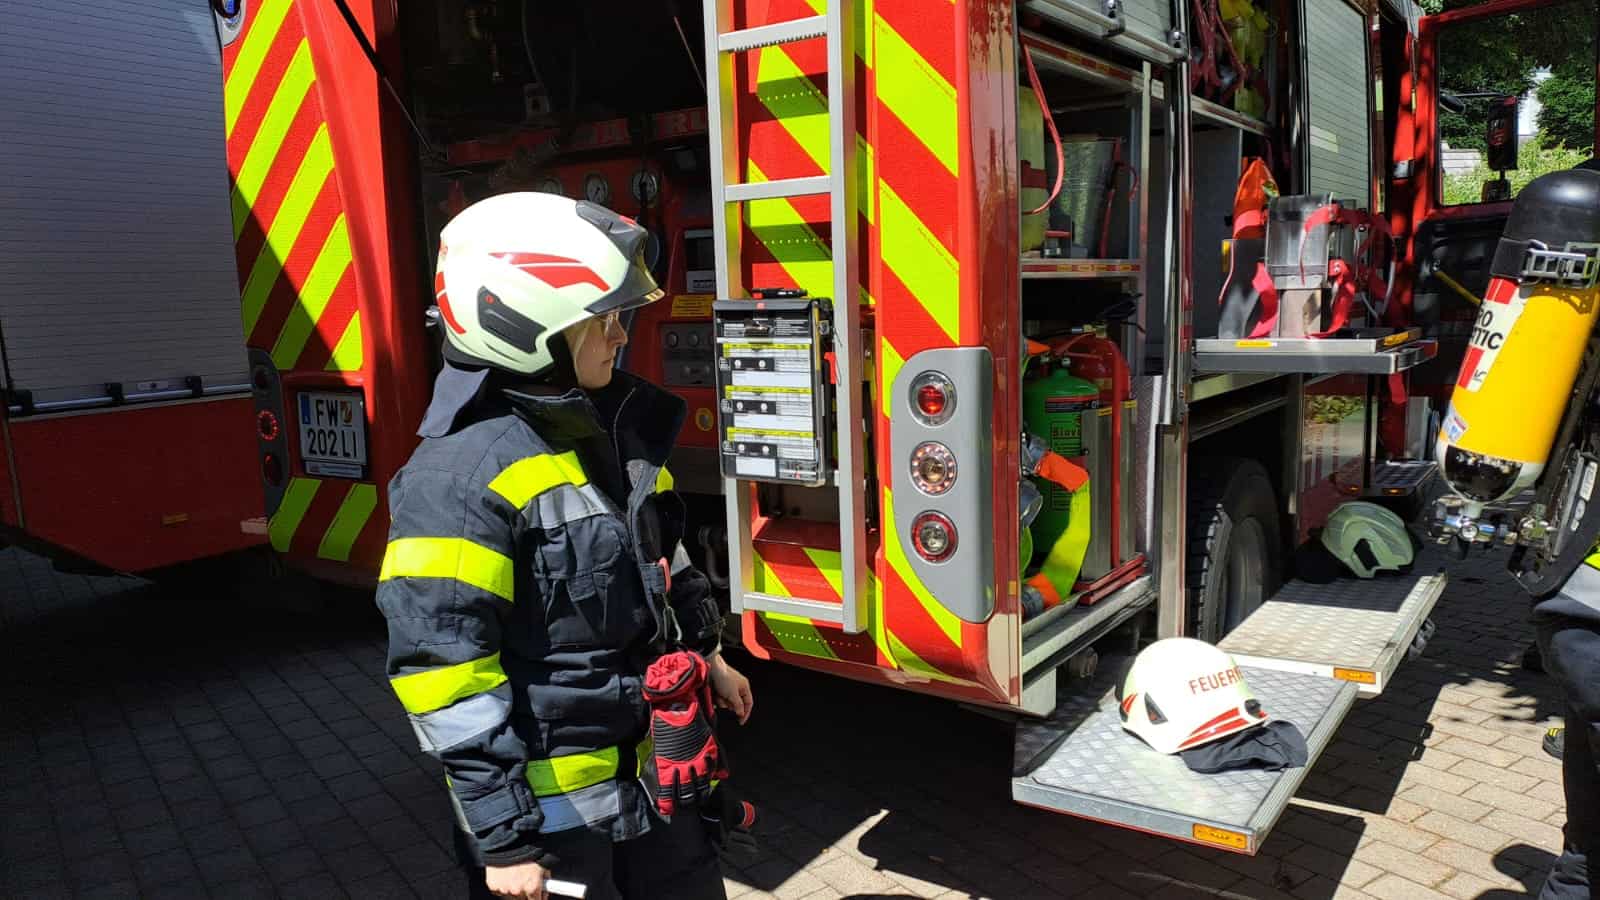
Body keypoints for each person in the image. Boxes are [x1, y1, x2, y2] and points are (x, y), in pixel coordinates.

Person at [375, 192, 753, 900]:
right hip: (554, 824)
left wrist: (710, 656)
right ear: (525, 325)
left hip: (658, 781)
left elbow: (664, 560)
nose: (620, 335)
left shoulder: (614, 434)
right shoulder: (456, 483)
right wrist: (504, 840)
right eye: (600, 318)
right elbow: (444, 676)